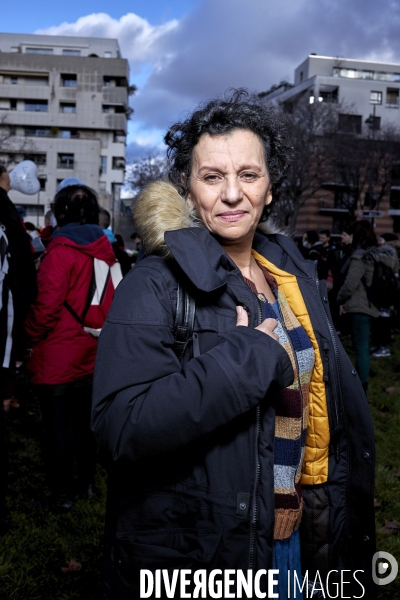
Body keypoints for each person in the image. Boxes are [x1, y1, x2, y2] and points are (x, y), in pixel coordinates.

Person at [92, 91, 376, 599]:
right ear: (188, 185)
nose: (231, 194)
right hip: (205, 549)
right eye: (212, 176)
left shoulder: (292, 276)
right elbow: (120, 426)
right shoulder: (155, 284)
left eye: (249, 175)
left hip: (294, 539)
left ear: (269, 189)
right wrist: (245, 359)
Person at [25, 185, 117, 510]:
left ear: (59, 212)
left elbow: (46, 308)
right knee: (84, 427)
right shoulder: (106, 248)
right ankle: (87, 485)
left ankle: (62, 496)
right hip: (92, 351)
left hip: (57, 355)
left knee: (57, 429)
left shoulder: (60, 251)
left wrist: (27, 336)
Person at [337, 220, 397, 389]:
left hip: (359, 306)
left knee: (360, 347)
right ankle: (362, 380)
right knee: (363, 346)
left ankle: (361, 385)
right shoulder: (378, 256)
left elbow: (350, 284)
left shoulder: (360, 257)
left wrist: (339, 299)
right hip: (374, 305)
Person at [0, 165, 37, 409]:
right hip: (10, 288)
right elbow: (16, 247)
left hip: (12, 285)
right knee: (6, 343)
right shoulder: (2, 204)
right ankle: (5, 395)